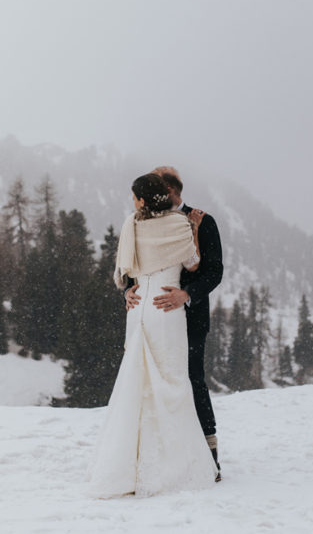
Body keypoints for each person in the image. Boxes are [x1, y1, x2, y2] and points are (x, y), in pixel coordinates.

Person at [87, 173, 216, 498]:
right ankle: (176, 463)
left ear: (144, 200)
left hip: (140, 306)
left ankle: (128, 464)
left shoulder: (131, 225)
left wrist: (130, 289)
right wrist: (195, 233)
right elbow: (193, 264)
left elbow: (124, 272)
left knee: (137, 382)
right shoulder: (179, 226)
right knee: (172, 382)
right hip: (168, 311)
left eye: (135, 197)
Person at [126, 166, 223, 480]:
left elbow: (213, 271)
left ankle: (208, 455)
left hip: (190, 316)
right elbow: (132, 266)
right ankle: (151, 454)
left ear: (168, 192)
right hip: (151, 315)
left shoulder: (202, 221)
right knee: (145, 380)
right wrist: (127, 290)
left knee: (191, 379)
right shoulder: (141, 222)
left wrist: (187, 294)